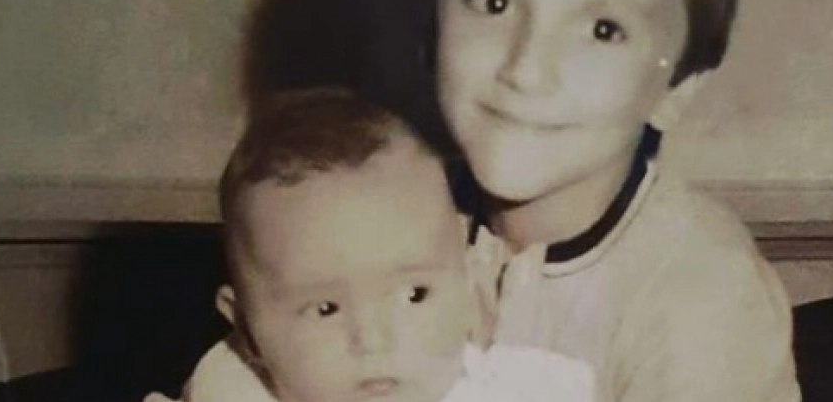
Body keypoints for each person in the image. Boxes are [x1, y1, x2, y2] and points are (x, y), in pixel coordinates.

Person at [421, 0, 801, 400]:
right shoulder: (387, 214)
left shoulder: (704, 300)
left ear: (675, 90)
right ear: (431, 24)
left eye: (604, 30)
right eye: (494, 2)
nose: (527, 70)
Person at [144, 88, 594, 402]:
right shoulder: (228, 389)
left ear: (467, 273)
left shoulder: (518, 390)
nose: (374, 341)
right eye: (326, 309)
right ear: (246, 327)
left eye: (415, 294)